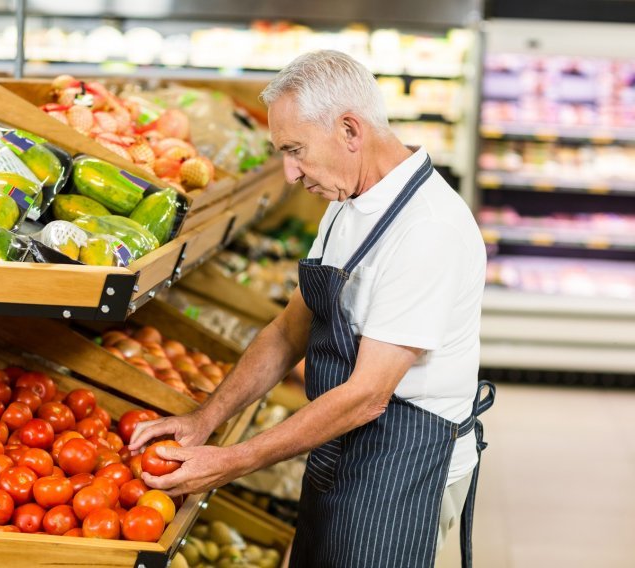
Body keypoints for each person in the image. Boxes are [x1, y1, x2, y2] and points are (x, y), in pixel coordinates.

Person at [129, 50, 495, 567]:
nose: (289, 172)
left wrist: (233, 461)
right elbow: (288, 330)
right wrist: (205, 418)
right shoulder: (347, 204)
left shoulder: (427, 229)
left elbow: (368, 395)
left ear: (351, 129)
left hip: (407, 465)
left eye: (296, 150)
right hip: (339, 444)